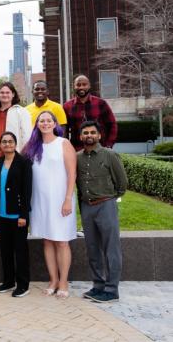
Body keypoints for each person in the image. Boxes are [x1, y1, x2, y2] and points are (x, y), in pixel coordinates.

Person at [23, 111, 77, 299]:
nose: (45, 123)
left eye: (48, 120)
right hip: (40, 200)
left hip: (61, 199)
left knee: (61, 241)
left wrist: (68, 198)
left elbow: (72, 174)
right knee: (47, 240)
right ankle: (53, 279)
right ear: (37, 124)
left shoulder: (63, 143)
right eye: (41, 121)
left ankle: (64, 281)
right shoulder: (32, 146)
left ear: (55, 123)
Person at [77, 121, 127, 303]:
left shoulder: (110, 155)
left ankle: (112, 289)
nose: (88, 135)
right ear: (80, 136)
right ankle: (98, 285)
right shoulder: (78, 157)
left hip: (106, 205)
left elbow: (122, 183)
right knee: (92, 248)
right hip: (87, 207)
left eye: (92, 132)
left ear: (99, 135)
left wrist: (112, 198)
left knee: (111, 248)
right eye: (85, 133)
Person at [0, 131, 32, 298]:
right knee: (5, 250)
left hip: (17, 215)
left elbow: (27, 190)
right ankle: (8, 281)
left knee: (20, 251)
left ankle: (23, 284)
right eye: (4, 142)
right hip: (1, 214)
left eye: (10, 141)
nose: (7, 144)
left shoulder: (24, 162)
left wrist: (24, 215)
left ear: (15, 144)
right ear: (0, 145)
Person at [63, 75, 118, 151]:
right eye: (78, 85)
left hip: (99, 149)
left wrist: (109, 144)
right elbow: (64, 129)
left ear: (89, 86)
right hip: (77, 150)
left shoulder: (100, 103)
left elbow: (112, 124)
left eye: (84, 84)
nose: (81, 87)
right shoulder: (67, 106)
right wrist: (66, 147)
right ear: (74, 87)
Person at [0, 82, 32, 163]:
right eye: (2, 92)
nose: (5, 95)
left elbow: (27, 136)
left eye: (8, 92)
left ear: (13, 94)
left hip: (15, 156)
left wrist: (22, 155)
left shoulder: (21, 111)